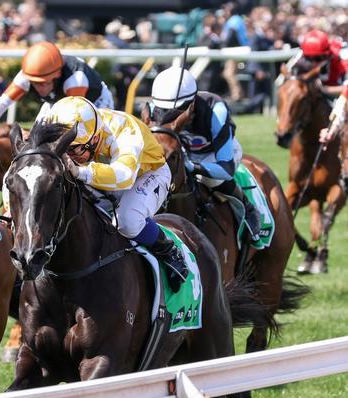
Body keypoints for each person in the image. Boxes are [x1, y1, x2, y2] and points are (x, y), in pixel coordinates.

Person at [44, 96, 189, 290]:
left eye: (72, 149)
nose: (68, 156)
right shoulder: (78, 131)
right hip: (102, 173)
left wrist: (80, 172)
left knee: (126, 221)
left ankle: (168, 250)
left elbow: (124, 177)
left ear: (94, 139)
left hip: (146, 175)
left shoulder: (125, 131)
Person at [147, 66, 262, 242]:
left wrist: (192, 167)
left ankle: (247, 207)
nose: (171, 116)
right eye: (164, 110)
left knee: (211, 179)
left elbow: (226, 169)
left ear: (192, 103)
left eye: (180, 109)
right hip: (181, 152)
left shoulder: (216, 110)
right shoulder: (152, 110)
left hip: (216, 154)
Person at [0, 41, 114, 128]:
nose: (40, 88)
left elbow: (75, 120)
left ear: (56, 76)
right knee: (37, 133)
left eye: (44, 83)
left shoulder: (75, 80)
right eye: (35, 83)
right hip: (57, 101)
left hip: (96, 103)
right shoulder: (27, 75)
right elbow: (2, 103)